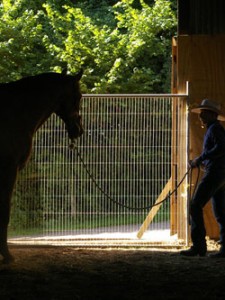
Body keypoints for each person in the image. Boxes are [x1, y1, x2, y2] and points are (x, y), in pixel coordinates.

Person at [180, 99, 225, 258]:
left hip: (214, 173)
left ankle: (199, 246)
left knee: (195, 205)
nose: (200, 115)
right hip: (219, 174)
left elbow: (221, 147)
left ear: (212, 114)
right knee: (220, 211)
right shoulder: (215, 128)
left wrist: (200, 158)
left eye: (204, 112)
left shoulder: (214, 130)